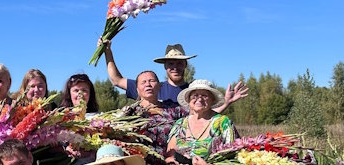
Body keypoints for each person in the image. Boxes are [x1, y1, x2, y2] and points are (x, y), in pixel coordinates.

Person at [101, 40, 247, 112]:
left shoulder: (194, 92)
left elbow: (205, 115)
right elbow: (116, 80)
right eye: (171, 64)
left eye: (179, 63)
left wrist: (226, 102)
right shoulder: (152, 87)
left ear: (186, 65)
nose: (175, 67)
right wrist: (108, 52)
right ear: (165, 66)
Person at [56, 73, 99, 165]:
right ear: (69, 94)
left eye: (84, 90)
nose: (80, 94)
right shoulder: (60, 117)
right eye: (76, 90)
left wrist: (92, 151)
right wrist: (65, 149)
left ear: (90, 94)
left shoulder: (99, 119)